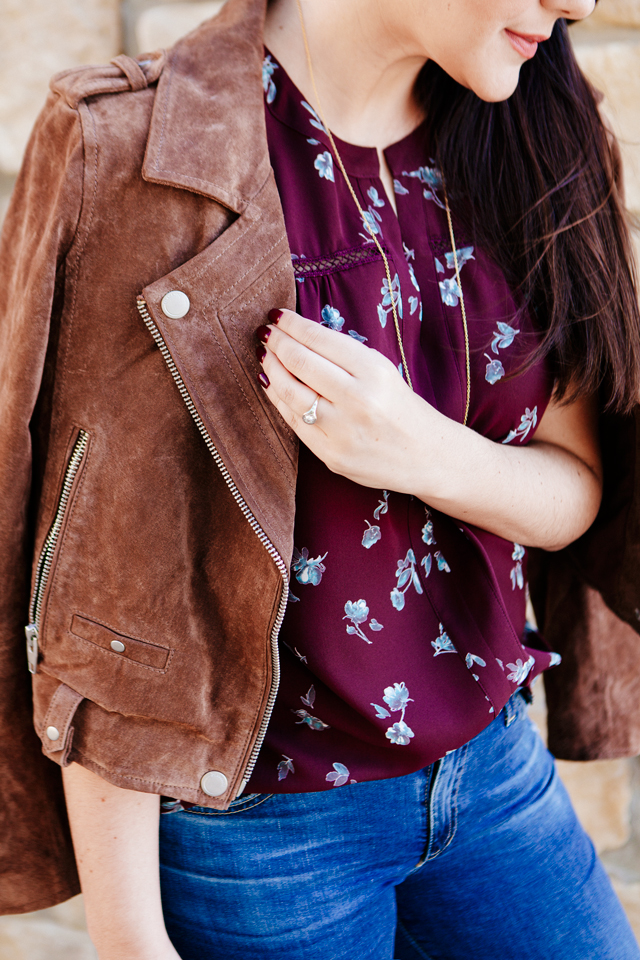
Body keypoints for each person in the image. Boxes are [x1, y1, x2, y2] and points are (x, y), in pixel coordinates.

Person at [2, 0, 640, 956]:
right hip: (260, 830)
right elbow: (103, 573)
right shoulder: (135, 146)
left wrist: (417, 449)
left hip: (494, 769)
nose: (578, 4)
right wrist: (130, 935)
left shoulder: (536, 127)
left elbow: (574, 491)